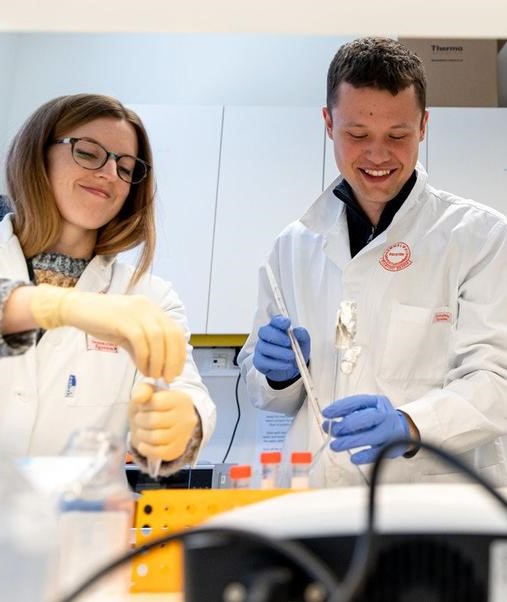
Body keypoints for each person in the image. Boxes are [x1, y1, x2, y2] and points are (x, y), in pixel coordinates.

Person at [239, 37, 507, 488]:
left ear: (423, 126)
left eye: (397, 136)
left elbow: (497, 381)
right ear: (328, 123)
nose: (378, 155)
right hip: (321, 497)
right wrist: (276, 376)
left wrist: (411, 423)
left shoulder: (480, 238)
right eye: (357, 135)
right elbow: (268, 396)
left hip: (434, 504)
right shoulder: (294, 247)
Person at [0, 93, 216, 475]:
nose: (109, 174)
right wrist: (60, 305)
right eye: (88, 152)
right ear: (38, 155)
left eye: (127, 167)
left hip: (69, 528)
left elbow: (182, 388)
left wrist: (183, 423)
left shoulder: (148, 297)